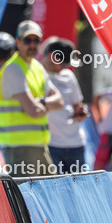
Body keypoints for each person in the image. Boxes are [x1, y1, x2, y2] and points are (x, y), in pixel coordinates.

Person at [0, 20, 63, 175]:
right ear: (17, 42)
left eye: (36, 40)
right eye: (27, 40)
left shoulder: (36, 67)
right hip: (19, 149)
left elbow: (60, 101)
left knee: (49, 193)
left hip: (37, 146)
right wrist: (45, 105)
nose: (32, 45)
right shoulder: (13, 68)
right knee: (30, 197)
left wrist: (43, 102)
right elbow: (34, 111)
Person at [41, 38, 89, 174]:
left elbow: (77, 105)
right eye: (62, 63)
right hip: (52, 145)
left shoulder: (69, 76)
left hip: (76, 143)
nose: (64, 67)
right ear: (51, 56)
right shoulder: (38, 76)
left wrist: (81, 112)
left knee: (79, 188)